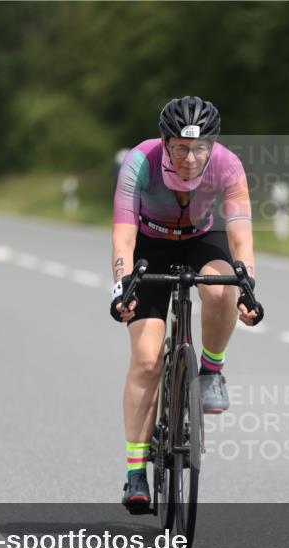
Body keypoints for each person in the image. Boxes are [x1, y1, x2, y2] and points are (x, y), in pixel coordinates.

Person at [110, 96, 261, 512]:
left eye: (199, 148)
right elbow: (123, 237)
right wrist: (121, 286)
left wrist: (248, 286)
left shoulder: (228, 165)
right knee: (145, 360)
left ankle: (212, 370)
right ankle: (136, 473)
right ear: (165, 141)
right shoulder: (140, 161)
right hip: (149, 246)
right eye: (180, 147)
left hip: (201, 239)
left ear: (212, 145)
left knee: (220, 288)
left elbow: (241, 239)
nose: (191, 157)